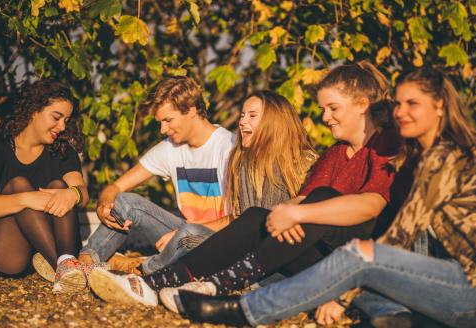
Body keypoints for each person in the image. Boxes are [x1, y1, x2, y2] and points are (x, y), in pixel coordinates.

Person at [176, 67, 476, 328]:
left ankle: (245, 311)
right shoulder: (413, 156)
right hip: (437, 281)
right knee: (375, 299)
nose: (401, 112)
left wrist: (343, 290)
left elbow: (401, 237)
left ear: (440, 108)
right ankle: (393, 315)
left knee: (361, 257)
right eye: (398, 104)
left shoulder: (448, 158)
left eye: (413, 104)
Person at [88, 62, 410, 310]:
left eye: (332, 108)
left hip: (357, 260)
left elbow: (371, 205)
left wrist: (295, 213)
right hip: (314, 255)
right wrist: (284, 213)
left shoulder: (386, 145)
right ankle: (159, 281)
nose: (325, 116)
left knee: (315, 202)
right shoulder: (336, 153)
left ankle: (215, 283)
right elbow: (300, 199)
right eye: (324, 108)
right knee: (258, 214)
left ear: (363, 105)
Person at [76, 76, 236, 278]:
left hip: (222, 243)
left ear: (192, 110)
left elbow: (241, 218)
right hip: (183, 236)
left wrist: (182, 236)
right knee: (126, 202)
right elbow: (115, 188)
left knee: (188, 234)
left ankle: (138, 270)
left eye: (168, 120)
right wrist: (104, 205)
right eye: (160, 122)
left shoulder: (230, 147)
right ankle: (85, 264)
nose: (163, 129)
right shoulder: (171, 148)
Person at [0, 80, 93, 293]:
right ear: (34, 110)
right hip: (2, 251)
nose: (62, 127)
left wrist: (72, 194)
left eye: (66, 120)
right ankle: (69, 268)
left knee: (59, 186)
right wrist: (27, 198)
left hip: (41, 253)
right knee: (19, 184)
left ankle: (64, 267)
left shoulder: (63, 151)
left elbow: (82, 193)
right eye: (56, 117)